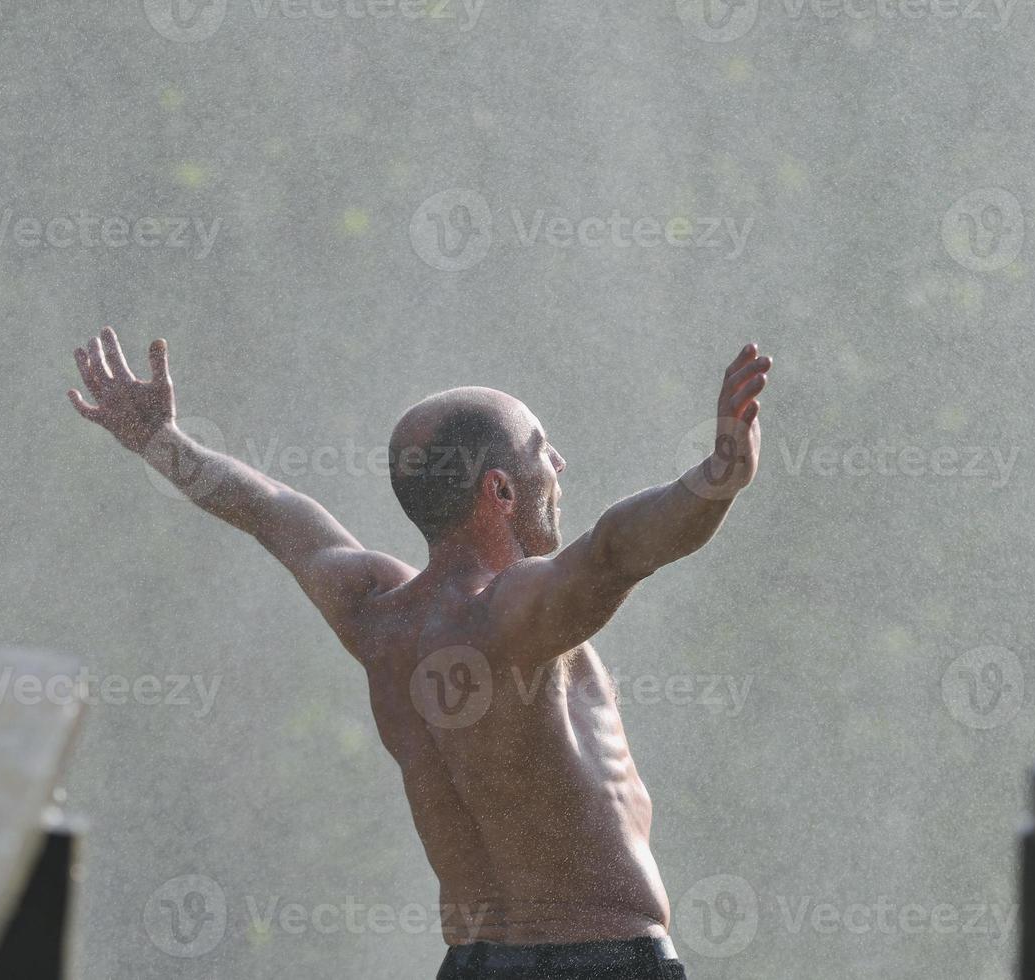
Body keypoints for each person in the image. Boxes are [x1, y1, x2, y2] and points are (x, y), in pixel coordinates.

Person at [68, 327, 771, 979]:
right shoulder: (512, 612)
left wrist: (162, 441)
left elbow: (269, 510)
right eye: (542, 451)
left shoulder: (375, 617)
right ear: (499, 491)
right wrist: (719, 475)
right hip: (599, 960)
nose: (559, 464)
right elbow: (616, 550)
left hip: (470, 963)